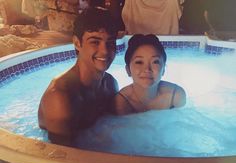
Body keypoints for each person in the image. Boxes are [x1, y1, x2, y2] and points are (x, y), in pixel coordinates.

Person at [38, 7, 119, 146]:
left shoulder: (110, 84)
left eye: (110, 42)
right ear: (77, 43)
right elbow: (62, 159)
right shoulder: (59, 97)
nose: (105, 51)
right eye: (95, 42)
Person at [113, 34, 186, 115]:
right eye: (139, 62)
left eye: (155, 62)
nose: (147, 69)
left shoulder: (176, 95)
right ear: (128, 70)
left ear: (163, 69)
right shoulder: (122, 102)